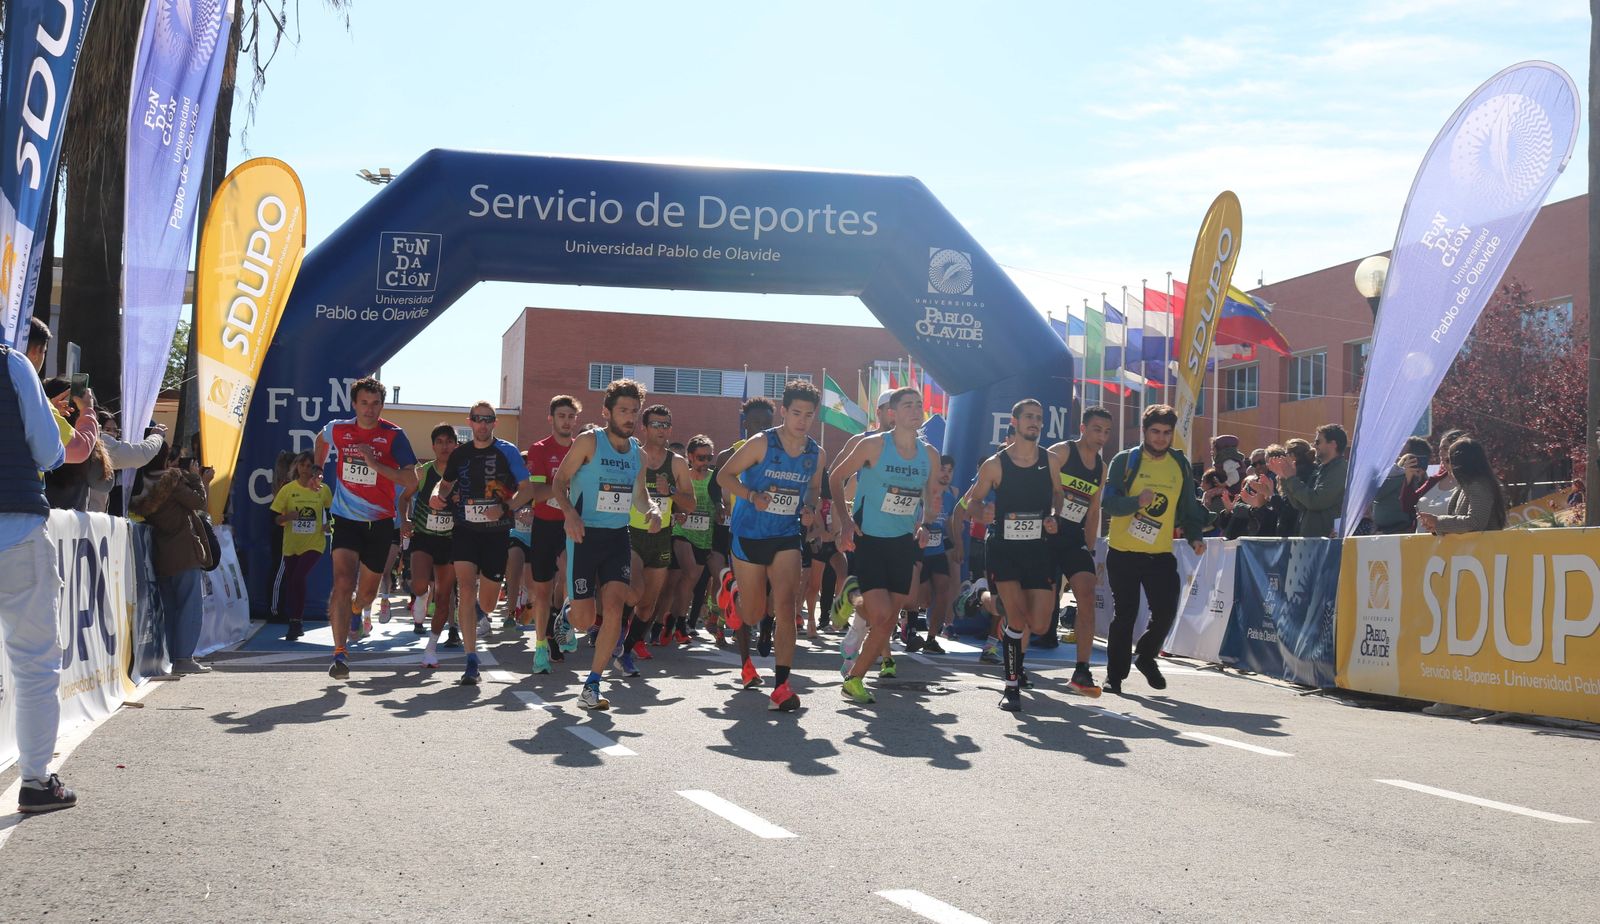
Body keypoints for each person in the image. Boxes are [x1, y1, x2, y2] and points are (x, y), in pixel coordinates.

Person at [1, 334, 78, 812]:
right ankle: (34, 779)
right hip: (17, 528)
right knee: (33, 662)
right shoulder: (11, 363)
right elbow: (50, 450)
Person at [551, 379, 661, 711]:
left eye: (634, 411)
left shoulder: (638, 457)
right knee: (585, 620)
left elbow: (640, 496)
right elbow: (559, 482)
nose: (629, 417)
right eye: (623, 410)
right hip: (584, 536)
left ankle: (592, 685)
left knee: (615, 607)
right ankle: (569, 614)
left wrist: (652, 510)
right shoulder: (589, 441)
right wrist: (569, 514)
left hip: (617, 537)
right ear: (607, 412)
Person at [948, 399, 1064, 712]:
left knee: (1039, 624)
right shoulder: (995, 465)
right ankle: (1011, 687)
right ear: (1014, 421)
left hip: (1038, 549)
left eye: (1039, 418)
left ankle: (979, 594)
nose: (1035, 423)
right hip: (1004, 549)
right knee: (1016, 618)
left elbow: (1058, 493)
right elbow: (969, 505)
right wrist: (981, 511)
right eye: (1028, 417)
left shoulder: (1050, 460)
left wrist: (1054, 514)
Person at [830, 387, 941, 704]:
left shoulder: (928, 454)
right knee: (881, 616)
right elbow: (835, 477)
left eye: (919, 404)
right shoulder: (874, 445)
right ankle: (853, 598)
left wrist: (926, 524)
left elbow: (931, 495)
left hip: (902, 541)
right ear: (892, 413)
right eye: (908, 405)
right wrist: (847, 520)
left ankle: (853, 679)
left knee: (895, 613)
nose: (916, 409)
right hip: (870, 539)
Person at [720, 380, 825, 712]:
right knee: (752, 613)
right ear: (784, 411)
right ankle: (733, 592)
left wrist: (809, 510)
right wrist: (752, 496)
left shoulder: (816, 454)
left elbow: (812, 491)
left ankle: (781, 685)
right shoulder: (761, 443)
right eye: (796, 413)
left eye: (809, 415)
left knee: (785, 606)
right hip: (749, 533)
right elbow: (723, 476)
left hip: (785, 535)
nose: (802, 421)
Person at [314, 376, 419, 681]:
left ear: (382, 406)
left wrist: (375, 465)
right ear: (354, 404)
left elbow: (410, 481)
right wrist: (320, 468)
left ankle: (358, 611)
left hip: (380, 522)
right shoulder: (340, 429)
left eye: (375, 404)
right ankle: (339, 653)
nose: (369, 410)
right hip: (345, 518)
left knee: (367, 593)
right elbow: (321, 439)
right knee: (343, 581)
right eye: (364, 403)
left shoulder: (394, 436)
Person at [428, 401, 537, 686]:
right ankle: (471, 659)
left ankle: (480, 611)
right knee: (465, 587)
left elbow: (527, 489)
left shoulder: (508, 451)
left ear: (494, 423)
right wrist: (435, 494)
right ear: (471, 421)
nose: (483, 424)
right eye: (478, 419)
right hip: (465, 529)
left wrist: (506, 507)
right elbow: (445, 483)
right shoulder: (460, 454)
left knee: (486, 602)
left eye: (488, 419)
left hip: (497, 532)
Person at [1099, 404, 1206, 695]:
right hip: (1123, 552)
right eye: (1155, 432)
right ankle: (1114, 677)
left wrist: (1195, 536)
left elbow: (1188, 507)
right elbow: (1108, 503)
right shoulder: (1126, 461)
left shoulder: (1179, 464)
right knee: (1125, 615)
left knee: (1166, 611)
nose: (1160, 438)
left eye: (1166, 433)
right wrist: (1136, 502)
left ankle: (1146, 656)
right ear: (1145, 431)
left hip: (1159, 554)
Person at [619, 404, 696, 668]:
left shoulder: (676, 462)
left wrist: (671, 491)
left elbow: (691, 504)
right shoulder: (631, 456)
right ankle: (617, 633)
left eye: (666, 425)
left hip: (661, 536)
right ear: (644, 427)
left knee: (647, 605)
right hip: (631, 533)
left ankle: (627, 649)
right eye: (656, 425)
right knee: (634, 591)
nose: (662, 430)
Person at [131, 444, 215, 675]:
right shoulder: (173, 480)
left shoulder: (138, 481)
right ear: (168, 460)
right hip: (184, 552)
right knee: (189, 607)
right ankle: (184, 657)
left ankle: (171, 656)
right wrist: (197, 478)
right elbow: (198, 502)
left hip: (160, 552)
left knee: (168, 609)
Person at [1046, 405, 1113, 697]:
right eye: (1097, 429)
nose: (1102, 436)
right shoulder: (1061, 452)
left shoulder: (1101, 467)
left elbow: (1094, 510)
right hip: (1045, 535)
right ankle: (1016, 663)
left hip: (1074, 538)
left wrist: (1091, 546)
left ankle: (1082, 670)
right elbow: (1038, 486)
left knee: (1087, 593)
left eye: (1107, 432)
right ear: (1084, 428)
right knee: (1039, 609)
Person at [707, 397, 776, 655]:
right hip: (736, 524)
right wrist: (718, 506)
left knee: (769, 583)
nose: (760, 427)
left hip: (770, 526)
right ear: (745, 423)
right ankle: (736, 628)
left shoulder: (778, 452)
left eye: (766, 423)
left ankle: (766, 626)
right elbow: (715, 487)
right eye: (756, 422)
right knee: (738, 581)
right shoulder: (729, 453)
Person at [525, 395, 582, 672]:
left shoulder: (582, 449)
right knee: (543, 591)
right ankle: (539, 647)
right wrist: (562, 485)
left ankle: (566, 621)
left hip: (571, 525)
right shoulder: (538, 449)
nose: (566, 421)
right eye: (561, 416)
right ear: (551, 418)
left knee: (571, 576)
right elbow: (536, 493)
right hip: (545, 525)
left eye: (571, 416)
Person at [399, 425, 460, 666]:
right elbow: (403, 498)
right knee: (419, 584)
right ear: (433, 446)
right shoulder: (422, 472)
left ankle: (431, 648)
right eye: (440, 442)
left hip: (450, 541)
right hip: (424, 536)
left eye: (449, 441)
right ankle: (421, 596)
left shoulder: (462, 474)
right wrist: (403, 520)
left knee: (444, 598)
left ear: (455, 444)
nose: (445, 446)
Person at [270, 451, 332, 641]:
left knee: (298, 577)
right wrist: (288, 517)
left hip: (314, 543)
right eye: (302, 465)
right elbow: (276, 519)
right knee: (293, 582)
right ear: (297, 467)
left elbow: (333, 514)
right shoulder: (288, 489)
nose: (305, 469)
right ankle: (295, 623)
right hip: (291, 545)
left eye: (309, 465)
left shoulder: (323, 490)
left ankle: (296, 620)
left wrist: (328, 525)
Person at [665, 434, 716, 644]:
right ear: (690, 457)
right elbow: (671, 501)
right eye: (700, 458)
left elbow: (725, 502)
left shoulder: (715, 479)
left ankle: (673, 620)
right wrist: (678, 511)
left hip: (705, 536)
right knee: (687, 574)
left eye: (708, 458)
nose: (704, 463)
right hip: (682, 532)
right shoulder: (681, 477)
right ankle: (676, 624)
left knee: (690, 582)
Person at [913, 454, 959, 654]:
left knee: (944, 590)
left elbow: (948, 523)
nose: (946, 474)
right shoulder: (921, 493)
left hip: (938, 552)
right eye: (942, 469)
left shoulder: (949, 497)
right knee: (922, 600)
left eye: (950, 471)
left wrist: (957, 545)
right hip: (918, 552)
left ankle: (931, 638)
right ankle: (908, 627)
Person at [1271, 424, 1348, 538]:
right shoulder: (1321, 469)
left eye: (1318, 442)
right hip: (1312, 541)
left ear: (1333, 444)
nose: (1314, 446)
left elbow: (1316, 501)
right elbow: (1300, 504)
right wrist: (1285, 477)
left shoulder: (1340, 469)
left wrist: (1291, 478)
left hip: (1327, 543)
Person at [1417, 437, 1507, 534]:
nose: (1447, 466)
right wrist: (1435, 526)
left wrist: (1438, 522)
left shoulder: (1479, 485)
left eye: (1449, 461)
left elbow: (1475, 523)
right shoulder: (1465, 486)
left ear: (1461, 463)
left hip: (1481, 547)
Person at [1370, 437, 1432, 534]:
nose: (1397, 457)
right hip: (1383, 532)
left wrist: (1418, 479)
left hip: (1403, 532)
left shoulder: (1425, 481)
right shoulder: (1390, 475)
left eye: (1401, 455)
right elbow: (1376, 495)